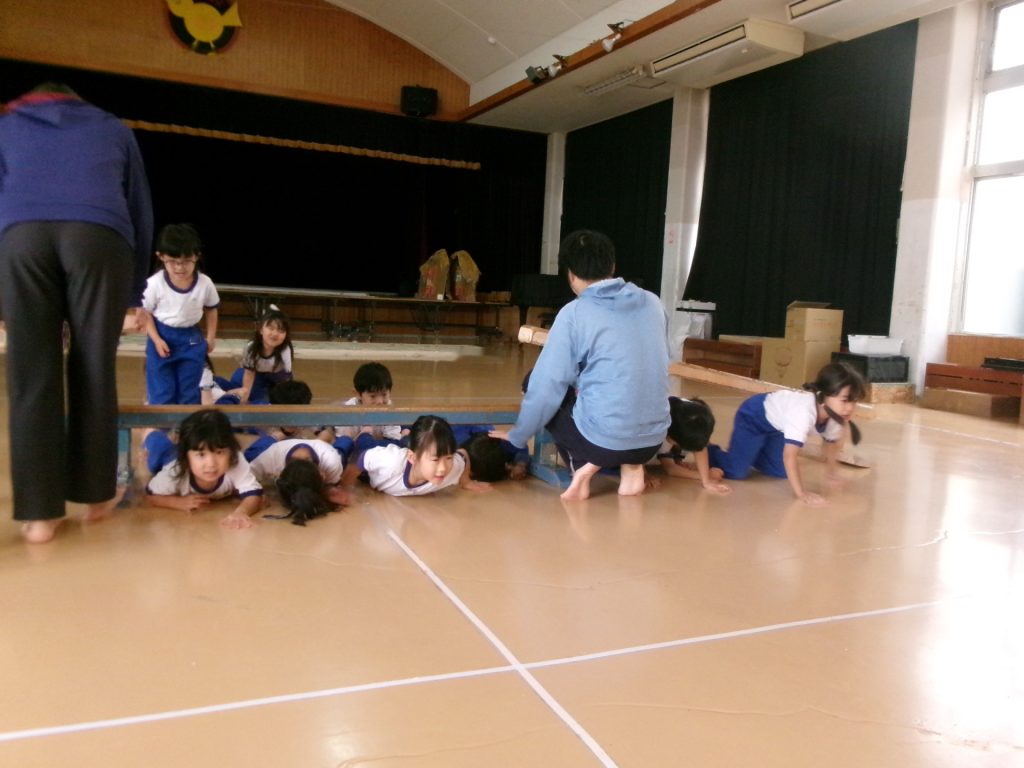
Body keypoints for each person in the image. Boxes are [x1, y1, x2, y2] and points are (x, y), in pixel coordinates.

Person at [0, 82, 153, 543]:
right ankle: (94, 496)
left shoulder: (7, 125)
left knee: (31, 373)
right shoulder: (112, 128)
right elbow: (140, 209)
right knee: (92, 365)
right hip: (100, 237)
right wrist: (133, 292)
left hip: (22, 236)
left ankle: (39, 517)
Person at [494, 230, 670, 500]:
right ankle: (633, 468)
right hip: (653, 441)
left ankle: (581, 467)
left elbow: (546, 387)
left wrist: (518, 436)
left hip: (602, 445)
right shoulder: (653, 302)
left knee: (535, 382)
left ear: (571, 274)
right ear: (612, 266)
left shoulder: (574, 313)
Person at [706, 362, 867, 506]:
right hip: (753, 417)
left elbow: (831, 446)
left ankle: (752, 451)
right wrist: (801, 493)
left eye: (854, 401)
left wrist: (831, 474)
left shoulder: (836, 416)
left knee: (780, 472)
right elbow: (789, 456)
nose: (850, 408)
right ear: (822, 396)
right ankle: (708, 450)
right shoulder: (803, 413)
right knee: (736, 471)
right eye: (844, 400)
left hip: (777, 428)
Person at [144, 409, 264, 528]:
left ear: (231, 451)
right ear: (186, 456)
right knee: (157, 455)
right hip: (168, 458)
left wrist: (241, 512)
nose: (211, 464)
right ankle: (150, 433)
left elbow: (254, 494)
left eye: (219, 452)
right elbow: (149, 497)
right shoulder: (174, 472)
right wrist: (177, 502)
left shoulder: (235, 461)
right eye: (201, 455)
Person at [141, 223, 219, 404]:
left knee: (189, 392)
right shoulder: (154, 283)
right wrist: (156, 340)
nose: (179, 267)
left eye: (186, 261)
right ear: (161, 256)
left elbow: (211, 309)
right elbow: (146, 313)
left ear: (196, 256)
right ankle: (160, 422)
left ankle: (185, 422)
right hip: (162, 337)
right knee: (162, 392)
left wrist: (211, 337)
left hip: (191, 338)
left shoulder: (205, 283)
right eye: (172, 261)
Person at [341, 415, 491, 496]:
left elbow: (463, 455)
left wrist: (465, 481)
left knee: (407, 442)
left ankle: (406, 436)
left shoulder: (452, 468)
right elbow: (361, 459)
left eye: (448, 457)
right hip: (374, 460)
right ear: (412, 458)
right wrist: (344, 488)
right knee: (365, 443)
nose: (443, 468)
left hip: (409, 449)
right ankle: (366, 432)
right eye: (435, 459)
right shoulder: (390, 462)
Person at [249, 438, 351, 516]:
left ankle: (344, 438)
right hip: (276, 446)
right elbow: (247, 479)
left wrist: (330, 490)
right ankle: (276, 436)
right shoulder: (270, 458)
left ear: (322, 476)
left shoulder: (331, 462)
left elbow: (331, 485)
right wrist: (258, 495)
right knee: (249, 456)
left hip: (328, 449)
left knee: (343, 448)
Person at [655, 397, 731, 493]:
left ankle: (677, 458)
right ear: (672, 440)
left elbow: (700, 448)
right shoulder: (663, 430)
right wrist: (704, 475)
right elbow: (670, 468)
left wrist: (706, 481)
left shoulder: (692, 418)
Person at [228, 305, 293, 404]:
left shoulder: (285, 351)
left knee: (269, 401)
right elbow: (249, 374)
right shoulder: (250, 348)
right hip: (257, 376)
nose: (275, 334)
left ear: (286, 335)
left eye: (281, 330)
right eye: (271, 328)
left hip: (277, 379)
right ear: (261, 330)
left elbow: (285, 380)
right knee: (237, 380)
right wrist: (244, 400)